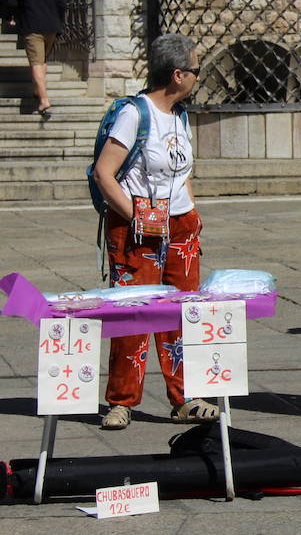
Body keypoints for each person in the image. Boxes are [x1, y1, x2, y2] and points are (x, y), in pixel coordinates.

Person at [93, 34, 217, 430]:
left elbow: (184, 174)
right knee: (135, 313)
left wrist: (193, 216)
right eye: (196, 70)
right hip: (137, 227)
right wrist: (135, 217)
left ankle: (185, 397)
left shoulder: (180, 116)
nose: (199, 76)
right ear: (177, 74)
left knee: (181, 313)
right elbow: (104, 173)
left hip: (180, 225)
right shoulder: (136, 114)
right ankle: (121, 401)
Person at [5, 0, 67, 119]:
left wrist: (15, 15)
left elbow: (11, 1)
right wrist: (58, 22)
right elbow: (62, 4)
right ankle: (36, 89)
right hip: (52, 28)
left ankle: (44, 100)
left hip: (33, 28)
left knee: (36, 64)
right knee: (43, 60)